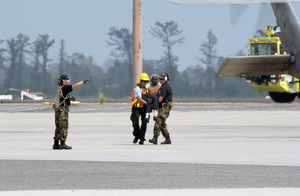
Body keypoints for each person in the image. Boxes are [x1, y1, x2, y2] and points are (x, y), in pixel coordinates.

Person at [53, 74, 92, 150]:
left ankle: (56, 144)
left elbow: (61, 99)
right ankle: (62, 143)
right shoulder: (65, 87)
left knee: (58, 127)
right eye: (67, 79)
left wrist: (69, 100)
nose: (69, 80)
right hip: (63, 110)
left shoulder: (60, 88)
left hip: (58, 110)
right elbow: (74, 86)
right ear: (63, 81)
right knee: (64, 126)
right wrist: (84, 81)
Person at [149, 72, 173, 145]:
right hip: (165, 106)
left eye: (161, 79)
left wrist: (153, 104)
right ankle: (167, 139)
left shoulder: (164, 87)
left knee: (158, 120)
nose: (159, 80)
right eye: (159, 78)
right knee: (162, 123)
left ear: (165, 79)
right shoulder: (164, 86)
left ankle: (155, 137)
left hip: (166, 106)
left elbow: (160, 99)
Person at [130, 73, 149, 145]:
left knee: (144, 123)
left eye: (146, 81)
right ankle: (136, 135)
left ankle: (142, 139)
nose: (145, 83)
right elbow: (139, 99)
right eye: (144, 81)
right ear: (141, 81)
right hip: (136, 108)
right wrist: (147, 104)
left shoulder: (147, 87)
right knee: (135, 123)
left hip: (144, 108)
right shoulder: (137, 89)